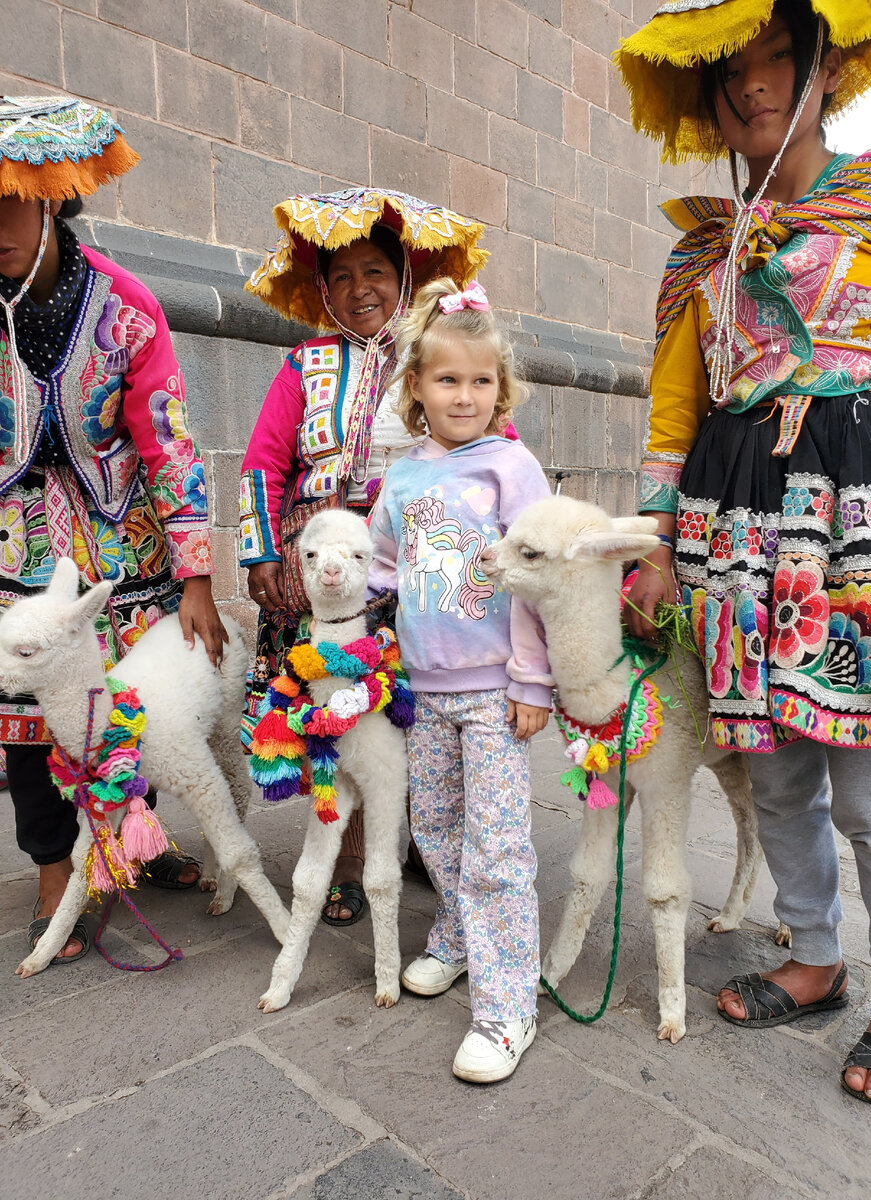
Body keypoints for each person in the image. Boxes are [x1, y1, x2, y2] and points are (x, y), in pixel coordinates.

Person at [619, 1, 871, 1104]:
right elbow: (672, 414)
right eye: (729, 73)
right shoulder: (701, 256)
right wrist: (648, 551)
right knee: (774, 770)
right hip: (732, 528)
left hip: (859, 530)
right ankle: (817, 953)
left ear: (824, 69)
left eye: (774, 58)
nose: (749, 86)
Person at [0, 95, 227, 962]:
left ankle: (137, 842)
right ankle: (58, 874)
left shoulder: (124, 308)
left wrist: (197, 573)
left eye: (10, 199)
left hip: (124, 545)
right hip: (18, 548)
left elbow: (168, 443)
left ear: (51, 192)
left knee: (129, 705)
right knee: (29, 715)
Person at [239, 188, 488, 925]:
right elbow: (263, 462)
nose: (360, 290)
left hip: (414, 566)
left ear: (404, 276)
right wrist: (260, 553)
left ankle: (416, 834)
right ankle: (346, 857)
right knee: (337, 711)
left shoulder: (432, 360)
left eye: (375, 270)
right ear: (323, 289)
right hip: (323, 577)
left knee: (413, 708)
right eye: (342, 277)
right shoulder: (304, 365)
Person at [367, 277, 552, 1083]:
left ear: (500, 388)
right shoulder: (402, 479)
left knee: (499, 844)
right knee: (435, 827)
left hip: (493, 692)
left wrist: (534, 682)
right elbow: (381, 565)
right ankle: (458, 934)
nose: (465, 395)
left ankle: (509, 1004)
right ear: (416, 387)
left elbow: (539, 576)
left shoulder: (511, 466)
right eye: (448, 379)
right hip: (424, 692)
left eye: (481, 381)